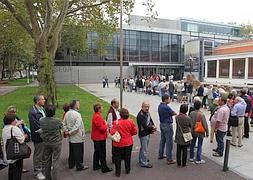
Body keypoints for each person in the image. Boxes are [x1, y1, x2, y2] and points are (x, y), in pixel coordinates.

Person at [110, 108, 137, 177]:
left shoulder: (116, 122)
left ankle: (117, 172)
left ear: (120, 115)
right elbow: (135, 132)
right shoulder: (131, 122)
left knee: (117, 158)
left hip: (118, 144)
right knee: (128, 157)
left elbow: (112, 132)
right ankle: (127, 169)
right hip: (128, 142)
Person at [63, 100, 88, 171]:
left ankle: (71, 164)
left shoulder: (67, 113)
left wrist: (67, 131)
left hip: (71, 136)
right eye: (78, 104)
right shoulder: (77, 114)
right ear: (75, 105)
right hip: (77, 136)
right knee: (78, 151)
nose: (79, 105)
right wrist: (70, 132)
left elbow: (63, 123)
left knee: (72, 151)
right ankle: (79, 165)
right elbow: (77, 127)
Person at [39, 104, 62, 180]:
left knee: (47, 160)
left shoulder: (41, 120)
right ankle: (55, 178)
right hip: (56, 142)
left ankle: (48, 177)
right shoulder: (57, 120)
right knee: (56, 160)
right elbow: (61, 127)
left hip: (46, 142)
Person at [5, 106, 30, 173]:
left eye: (15, 112)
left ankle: (20, 167)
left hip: (20, 135)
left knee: (21, 153)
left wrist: (23, 124)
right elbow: (9, 128)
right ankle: (18, 169)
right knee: (16, 155)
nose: (14, 113)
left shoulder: (16, 117)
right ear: (9, 112)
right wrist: (17, 124)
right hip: (15, 140)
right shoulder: (8, 119)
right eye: (13, 112)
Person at [2, 114, 25, 180]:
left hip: (8, 153)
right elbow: (21, 140)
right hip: (16, 153)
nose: (16, 121)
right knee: (17, 171)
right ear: (12, 121)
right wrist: (24, 136)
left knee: (11, 169)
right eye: (15, 120)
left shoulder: (4, 128)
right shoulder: (14, 128)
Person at [91, 103, 112, 173]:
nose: (103, 109)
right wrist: (106, 125)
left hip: (96, 137)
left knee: (97, 152)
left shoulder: (96, 115)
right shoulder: (98, 117)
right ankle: (104, 168)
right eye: (101, 108)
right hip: (99, 138)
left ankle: (96, 165)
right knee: (102, 153)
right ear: (99, 109)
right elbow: (102, 128)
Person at [28, 95, 46, 180]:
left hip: (44, 136)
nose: (44, 100)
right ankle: (37, 172)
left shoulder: (42, 109)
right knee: (38, 155)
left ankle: (43, 169)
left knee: (43, 154)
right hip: (38, 137)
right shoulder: (33, 112)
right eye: (42, 99)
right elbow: (36, 126)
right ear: (37, 101)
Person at [158, 94, 177, 165]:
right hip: (167, 125)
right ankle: (169, 159)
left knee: (162, 140)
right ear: (166, 99)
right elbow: (174, 113)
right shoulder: (166, 107)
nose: (170, 100)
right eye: (169, 99)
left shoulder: (160, 106)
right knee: (169, 142)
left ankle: (160, 154)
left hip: (162, 124)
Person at [137, 101, 156, 168]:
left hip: (146, 133)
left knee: (143, 147)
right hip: (143, 134)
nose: (147, 108)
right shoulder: (141, 115)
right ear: (142, 107)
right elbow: (145, 126)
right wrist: (152, 128)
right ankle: (143, 162)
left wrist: (153, 125)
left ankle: (141, 159)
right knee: (144, 149)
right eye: (145, 106)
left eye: (148, 106)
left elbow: (150, 120)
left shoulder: (147, 113)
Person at [106, 98, 120, 163]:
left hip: (117, 130)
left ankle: (118, 157)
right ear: (113, 104)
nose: (118, 104)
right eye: (117, 103)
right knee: (114, 145)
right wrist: (114, 131)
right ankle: (114, 158)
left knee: (118, 144)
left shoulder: (116, 111)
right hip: (114, 131)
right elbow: (109, 123)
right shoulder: (111, 112)